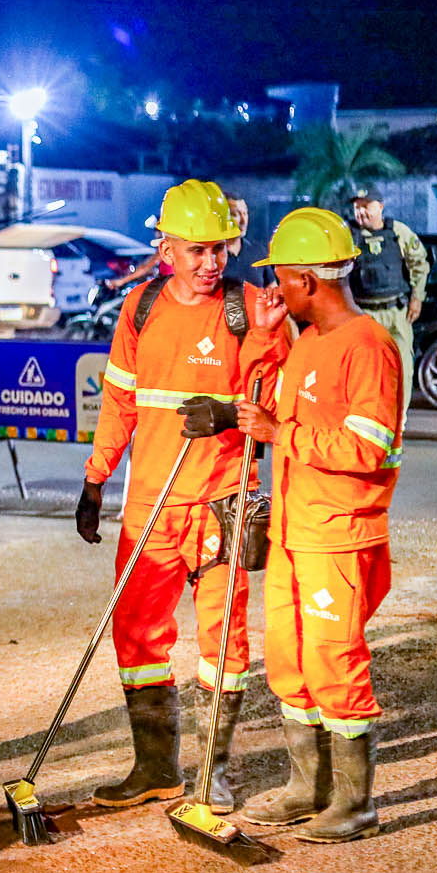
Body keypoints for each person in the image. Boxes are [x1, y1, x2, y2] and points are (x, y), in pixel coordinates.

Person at [78, 179, 290, 812]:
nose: (211, 264)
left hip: (223, 499)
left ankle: (212, 774)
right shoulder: (139, 309)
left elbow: (277, 400)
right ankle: (155, 768)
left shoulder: (250, 305)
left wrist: (230, 410)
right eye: (197, 250)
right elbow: (119, 399)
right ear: (165, 247)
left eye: (220, 249)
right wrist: (95, 480)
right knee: (138, 637)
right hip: (151, 504)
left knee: (225, 642)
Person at [235, 208, 401, 842]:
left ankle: (356, 805)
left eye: (280, 273)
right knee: (290, 664)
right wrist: (263, 337)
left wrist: (285, 434)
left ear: (307, 278)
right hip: (294, 534)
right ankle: (310, 789)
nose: (273, 283)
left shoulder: (368, 347)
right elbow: (264, 400)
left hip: (339, 534)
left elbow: (370, 447)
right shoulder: (306, 341)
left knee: (336, 662)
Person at [346, 187, 429, 426]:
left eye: (366, 205)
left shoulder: (399, 232)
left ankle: (398, 419)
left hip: (396, 312)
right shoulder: (348, 235)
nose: (361, 211)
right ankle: (363, 416)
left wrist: (417, 297)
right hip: (363, 313)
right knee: (362, 369)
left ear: (380, 207)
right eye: (357, 206)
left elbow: (419, 264)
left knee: (402, 368)